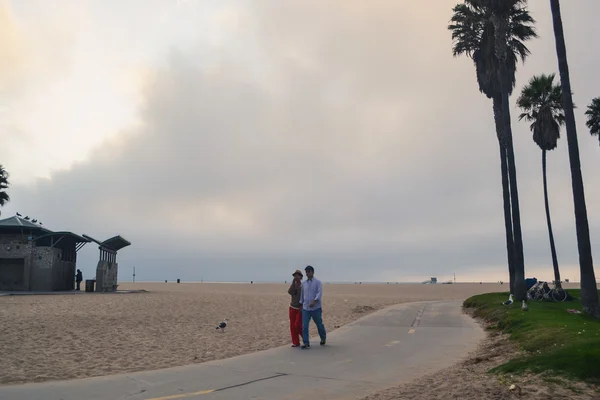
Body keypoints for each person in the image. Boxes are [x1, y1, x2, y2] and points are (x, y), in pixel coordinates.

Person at [299, 265, 326, 349]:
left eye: (309, 271)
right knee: (305, 325)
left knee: (319, 324)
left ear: (313, 272)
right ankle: (306, 342)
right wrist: (301, 304)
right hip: (306, 308)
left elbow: (319, 293)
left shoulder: (317, 282)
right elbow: (302, 295)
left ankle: (323, 338)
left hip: (316, 308)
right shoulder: (303, 284)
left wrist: (315, 301)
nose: (307, 273)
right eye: (306, 272)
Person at [288, 270, 303, 347]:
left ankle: (304, 336)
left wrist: (302, 306)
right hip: (292, 307)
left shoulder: (303, 286)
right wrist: (293, 283)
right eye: (295, 275)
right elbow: (289, 292)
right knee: (292, 326)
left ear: (301, 277)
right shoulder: (293, 285)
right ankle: (296, 342)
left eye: (298, 275)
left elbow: (305, 297)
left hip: (299, 308)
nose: (296, 277)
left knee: (297, 325)